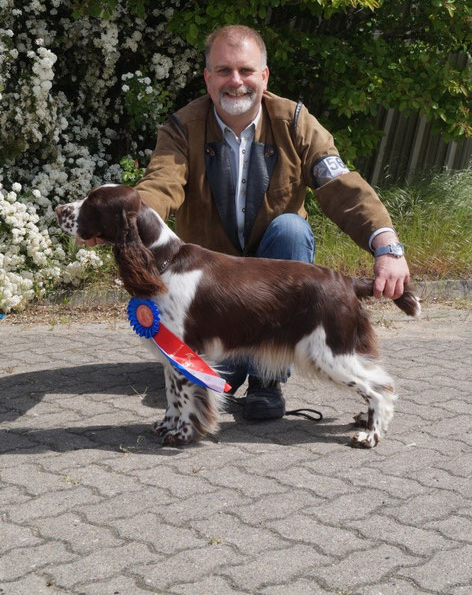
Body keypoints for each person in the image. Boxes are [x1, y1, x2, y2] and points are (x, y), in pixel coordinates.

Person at [83, 24, 410, 420]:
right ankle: (227, 365)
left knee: (291, 229)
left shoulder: (295, 123)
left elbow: (342, 186)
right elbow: (159, 185)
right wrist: (123, 223)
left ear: (264, 76)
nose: (235, 81)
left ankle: (266, 381)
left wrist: (386, 245)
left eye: (245, 71)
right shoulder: (182, 127)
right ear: (207, 79)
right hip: (214, 289)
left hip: (272, 283)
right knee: (199, 374)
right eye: (223, 71)